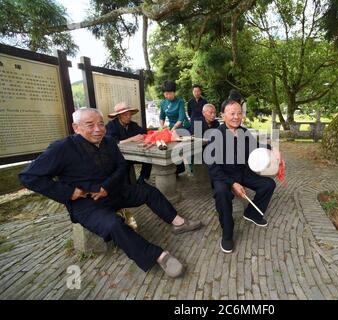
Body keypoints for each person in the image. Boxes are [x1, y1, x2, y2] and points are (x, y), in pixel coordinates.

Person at [18, 107, 202, 278]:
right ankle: (159, 256)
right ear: (76, 127)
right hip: (86, 204)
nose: (98, 129)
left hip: (113, 191)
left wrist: (106, 187)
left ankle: (179, 222)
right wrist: (68, 192)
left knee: (149, 191)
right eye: (90, 125)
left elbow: (121, 167)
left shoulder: (108, 142)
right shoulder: (61, 148)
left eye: (100, 124)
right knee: (115, 224)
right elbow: (28, 177)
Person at [206, 99, 280, 253]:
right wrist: (232, 183)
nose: (236, 117)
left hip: (242, 172)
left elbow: (255, 147)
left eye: (239, 113)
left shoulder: (243, 132)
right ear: (223, 115)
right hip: (223, 175)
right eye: (232, 113)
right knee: (221, 194)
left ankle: (251, 213)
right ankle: (227, 234)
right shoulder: (215, 135)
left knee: (268, 185)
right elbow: (213, 168)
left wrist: (273, 148)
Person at [106, 102, 151, 185]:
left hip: (132, 154)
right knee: (123, 165)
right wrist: (132, 139)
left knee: (148, 159)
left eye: (130, 115)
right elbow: (114, 142)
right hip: (118, 156)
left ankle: (141, 180)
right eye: (125, 115)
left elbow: (143, 132)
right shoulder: (111, 126)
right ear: (119, 116)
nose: (129, 117)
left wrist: (142, 136)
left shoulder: (133, 125)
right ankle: (126, 185)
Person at [159, 80, 189, 175]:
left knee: (175, 144)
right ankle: (175, 168)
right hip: (171, 126)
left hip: (182, 125)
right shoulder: (163, 103)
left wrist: (174, 129)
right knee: (167, 144)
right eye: (166, 94)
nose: (168, 95)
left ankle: (180, 168)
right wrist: (162, 125)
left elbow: (181, 118)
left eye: (170, 93)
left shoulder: (180, 102)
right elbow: (161, 116)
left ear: (174, 92)